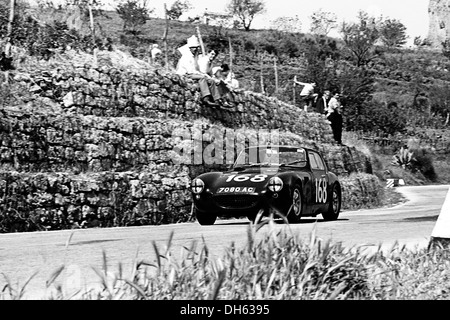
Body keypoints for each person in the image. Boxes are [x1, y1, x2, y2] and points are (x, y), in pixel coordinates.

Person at [175, 35, 229, 108]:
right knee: (202, 78)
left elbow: (197, 69)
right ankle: (206, 98)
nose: (195, 49)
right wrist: (200, 74)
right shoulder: (186, 57)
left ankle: (217, 99)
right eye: (193, 48)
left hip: (192, 73)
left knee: (211, 81)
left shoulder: (195, 57)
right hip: (185, 74)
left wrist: (206, 76)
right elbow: (190, 70)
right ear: (190, 48)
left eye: (196, 48)